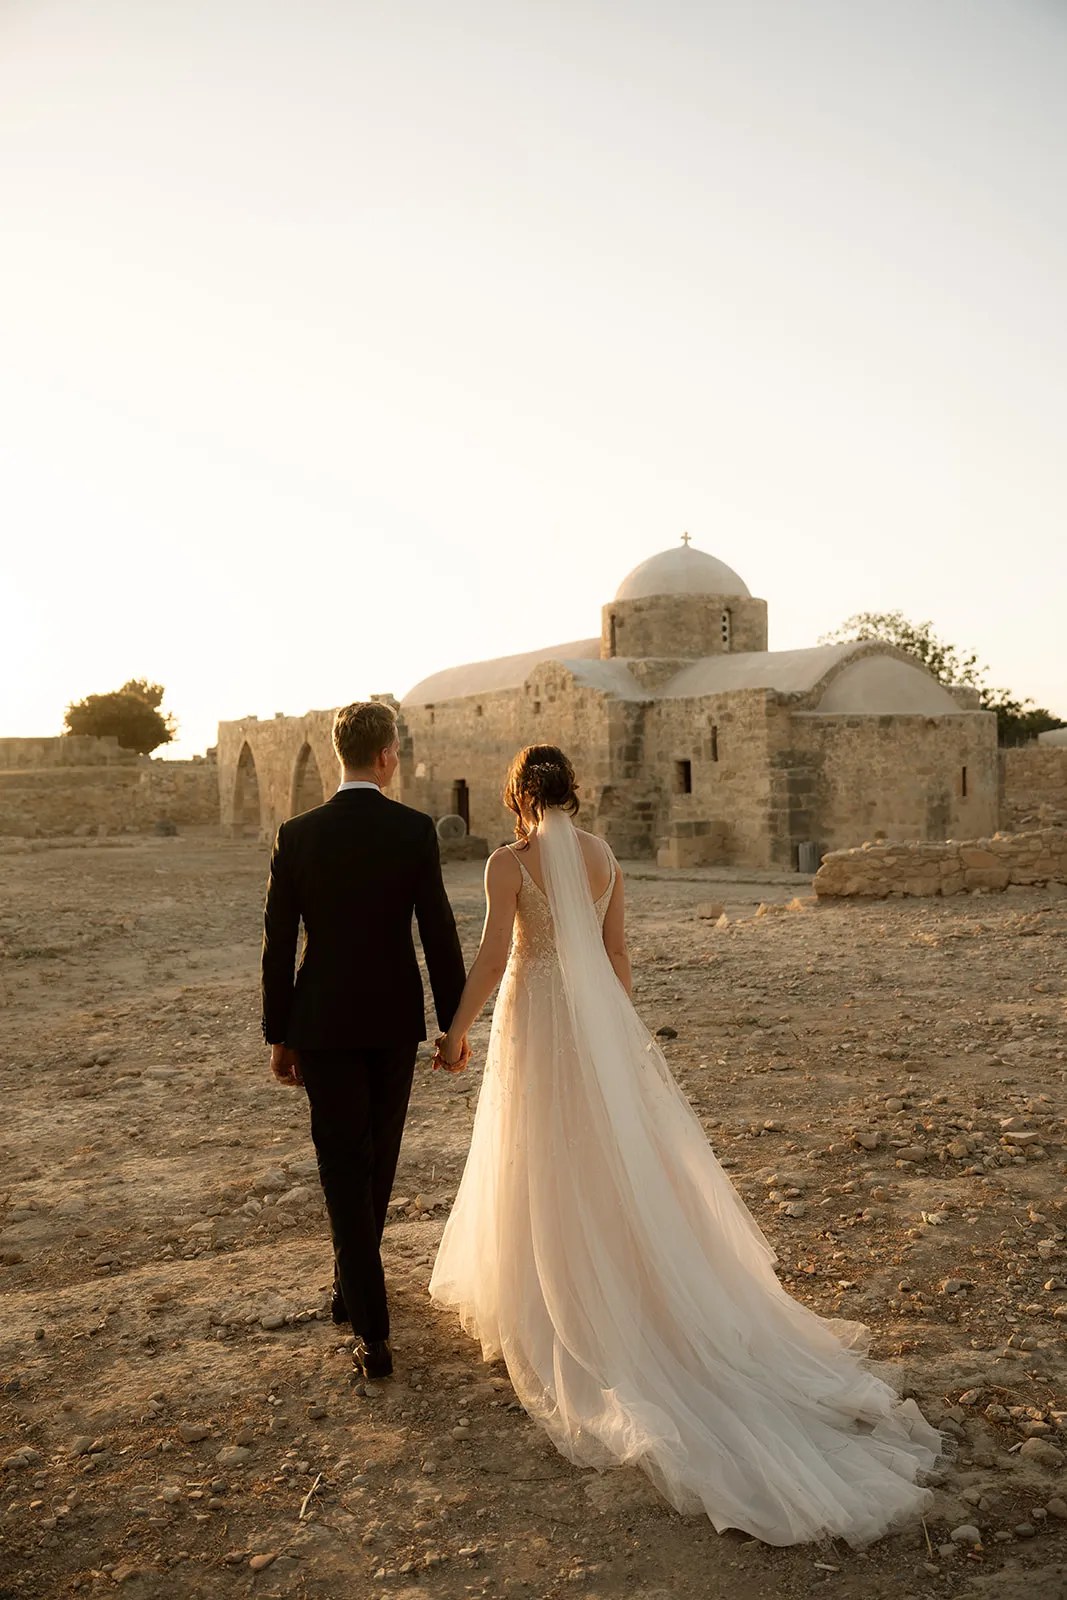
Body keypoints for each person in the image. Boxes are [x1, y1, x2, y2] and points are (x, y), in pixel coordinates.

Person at [429, 744, 944, 1547]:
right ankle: (616, 1274)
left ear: (516, 796)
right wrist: (618, 1034)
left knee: (540, 1148)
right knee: (605, 1153)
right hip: (595, 1027)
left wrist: (456, 1031)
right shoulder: (603, 858)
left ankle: (554, 1287)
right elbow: (618, 955)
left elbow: (496, 958)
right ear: (575, 793)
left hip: (534, 1024)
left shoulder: (509, 862)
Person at [262, 700, 468, 1381]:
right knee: (375, 1159)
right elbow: (436, 929)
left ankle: (358, 1304)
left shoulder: (297, 835)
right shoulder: (412, 831)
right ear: (385, 757)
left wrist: (280, 1032)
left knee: (344, 1165)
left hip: (321, 1022)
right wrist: (452, 1025)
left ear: (339, 755)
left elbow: (278, 943)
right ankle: (368, 1321)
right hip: (390, 1021)